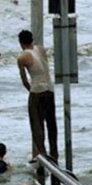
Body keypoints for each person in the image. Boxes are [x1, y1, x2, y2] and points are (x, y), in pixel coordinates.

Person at [17, 30, 58, 162]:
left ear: (20, 42)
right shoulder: (41, 49)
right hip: (50, 89)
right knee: (51, 123)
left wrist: (31, 90)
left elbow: (24, 80)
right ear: (32, 39)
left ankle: (41, 155)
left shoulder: (22, 57)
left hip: (37, 90)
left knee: (37, 125)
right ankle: (54, 153)